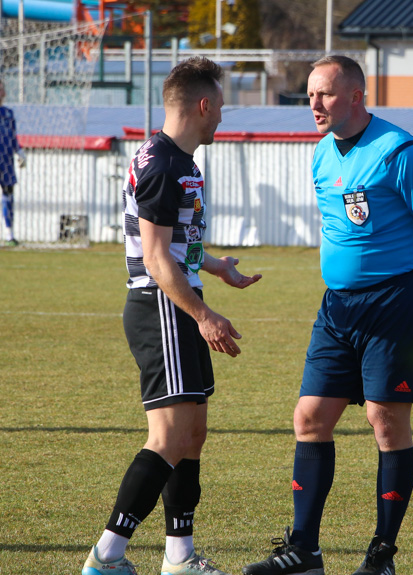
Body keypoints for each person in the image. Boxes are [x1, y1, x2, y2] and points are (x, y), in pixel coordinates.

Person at [243, 55, 413, 575]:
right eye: (310, 94)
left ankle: (381, 556)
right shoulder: (320, 155)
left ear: (358, 97)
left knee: (384, 421)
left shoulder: (400, 152)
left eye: (326, 94)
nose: (313, 104)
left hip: (396, 304)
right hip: (337, 308)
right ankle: (304, 551)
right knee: (310, 417)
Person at [81, 56, 262, 575]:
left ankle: (179, 557)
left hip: (174, 302)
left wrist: (216, 264)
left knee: (192, 432)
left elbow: (172, 243)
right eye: (221, 107)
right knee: (168, 438)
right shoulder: (163, 164)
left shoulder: (177, 160)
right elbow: (156, 259)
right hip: (163, 307)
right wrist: (204, 315)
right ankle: (107, 556)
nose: (223, 117)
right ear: (202, 105)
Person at [0, 78, 26, 246]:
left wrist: (20, 151)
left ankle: (9, 234)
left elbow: (13, 136)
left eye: (2, 88)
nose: (2, 91)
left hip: (6, 161)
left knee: (8, 195)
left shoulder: (8, 113)